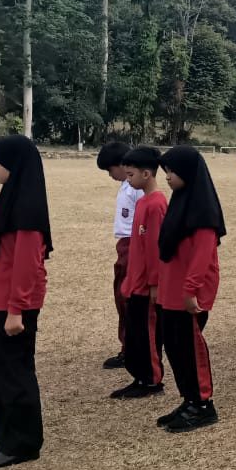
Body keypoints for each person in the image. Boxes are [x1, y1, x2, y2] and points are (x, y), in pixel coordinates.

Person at [0, 136, 51, 469]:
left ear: (15, 165)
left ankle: (23, 443)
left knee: (14, 375)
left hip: (11, 308)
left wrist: (16, 309)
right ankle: (5, 437)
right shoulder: (9, 199)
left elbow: (26, 264)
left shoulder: (26, 208)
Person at [155, 146, 225, 432]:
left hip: (190, 292)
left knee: (190, 348)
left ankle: (204, 405)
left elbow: (202, 254)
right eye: (166, 172)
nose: (168, 177)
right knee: (174, 347)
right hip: (172, 290)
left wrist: (190, 290)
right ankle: (189, 400)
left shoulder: (203, 208)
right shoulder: (180, 201)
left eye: (172, 171)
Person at [112, 146, 167, 400]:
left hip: (147, 286)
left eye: (131, 174)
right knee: (135, 334)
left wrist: (154, 284)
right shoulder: (143, 201)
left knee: (148, 334)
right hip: (135, 283)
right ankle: (140, 376)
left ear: (146, 174)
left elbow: (155, 249)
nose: (128, 179)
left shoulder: (156, 204)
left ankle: (152, 380)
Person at [96, 141, 140, 369]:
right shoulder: (126, 185)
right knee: (121, 298)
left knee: (129, 299)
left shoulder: (136, 188)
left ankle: (132, 348)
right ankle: (127, 345)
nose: (110, 175)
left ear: (123, 165)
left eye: (110, 170)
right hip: (124, 244)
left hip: (134, 245)